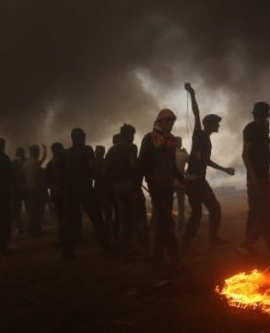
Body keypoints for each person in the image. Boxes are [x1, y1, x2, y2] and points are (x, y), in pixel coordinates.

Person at [180, 82, 234, 249]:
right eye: (216, 123)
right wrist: (192, 94)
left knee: (200, 213)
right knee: (212, 209)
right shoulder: (199, 134)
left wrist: (224, 169)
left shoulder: (206, 139)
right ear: (209, 125)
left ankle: (192, 243)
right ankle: (207, 240)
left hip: (194, 180)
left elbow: (205, 160)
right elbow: (196, 114)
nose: (218, 125)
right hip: (195, 181)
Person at [139, 109, 186, 265]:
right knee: (167, 222)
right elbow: (142, 163)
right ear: (160, 122)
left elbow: (172, 164)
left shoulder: (170, 139)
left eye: (172, 120)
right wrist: (145, 184)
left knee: (161, 224)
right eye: (168, 121)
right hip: (156, 187)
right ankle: (175, 260)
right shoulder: (150, 138)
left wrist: (182, 180)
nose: (171, 123)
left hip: (167, 186)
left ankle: (157, 260)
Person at [240, 101, 270, 256]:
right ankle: (248, 245)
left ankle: (269, 248)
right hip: (257, 180)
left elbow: (263, 160)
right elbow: (245, 154)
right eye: (266, 114)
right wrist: (253, 177)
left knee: (256, 213)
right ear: (263, 115)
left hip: (262, 178)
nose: (267, 117)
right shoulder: (251, 129)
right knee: (267, 214)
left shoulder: (263, 131)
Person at [60, 128, 113, 259]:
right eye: (83, 136)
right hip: (85, 190)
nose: (85, 138)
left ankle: (67, 252)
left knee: (69, 222)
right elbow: (92, 166)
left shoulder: (66, 153)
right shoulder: (87, 150)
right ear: (80, 137)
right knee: (97, 220)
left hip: (71, 191)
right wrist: (99, 178)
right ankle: (107, 248)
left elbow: (60, 172)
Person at [106, 124, 148, 261]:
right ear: (128, 134)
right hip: (130, 186)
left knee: (124, 219)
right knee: (140, 217)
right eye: (132, 134)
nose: (133, 137)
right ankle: (145, 251)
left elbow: (106, 171)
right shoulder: (131, 147)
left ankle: (124, 253)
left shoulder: (111, 150)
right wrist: (138, 178)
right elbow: (133, 165)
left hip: (117, 187)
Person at [21, 143, 48, 237]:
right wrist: (45, 149)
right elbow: (44, 158)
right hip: (36, 189)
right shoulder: (36, 162)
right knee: (36, 210)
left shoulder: (25, 163)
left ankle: (35, 229)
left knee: (31, 210)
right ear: (36, 152)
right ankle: (33, 230)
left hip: (27, 189)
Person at [10, 146, 27, 236]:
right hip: (19, 189)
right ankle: (19, 227)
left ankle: (21, 227)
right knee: (17, 209)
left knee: (20, 209)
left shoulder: (14, 163)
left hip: (21, 188)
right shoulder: (15, 163)